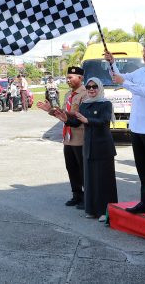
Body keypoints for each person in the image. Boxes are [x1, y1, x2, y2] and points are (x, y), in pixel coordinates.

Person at [105, 37, 145, 221]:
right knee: (142, 169)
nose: (144, 55)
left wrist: (124, 82)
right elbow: (119, 78)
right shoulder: (141, 71)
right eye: (144, 51)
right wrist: (112, 64)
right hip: (137, 127)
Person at [53, 77, 118, 222]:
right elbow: (76, 123)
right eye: (89, 87)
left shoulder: (105, 103)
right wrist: (65, 119)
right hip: (88, 146)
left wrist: (87, 120)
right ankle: (92, 209)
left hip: (103, 147)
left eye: (95, 87)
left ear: (100, 88)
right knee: (90, 180)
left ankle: (105, 211)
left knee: (104, 181)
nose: (91, 90)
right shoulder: (85, 105)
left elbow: (104, 121)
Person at [38, 66, 87, 208]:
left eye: (71, 77)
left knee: (82, 168)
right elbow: (63, 115)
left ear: (80, 78)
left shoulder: (85, 94)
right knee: (71, 167)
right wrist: (51, 110)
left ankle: (86, 196)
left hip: (80, 136)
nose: (68, 80)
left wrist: (63, 113)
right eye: (67, 78)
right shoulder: (67, 95)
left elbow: (77, 115)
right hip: (68, 137)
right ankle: (76, 195)